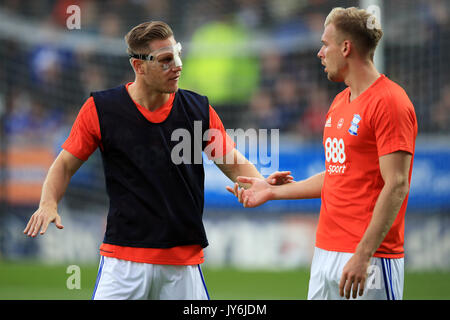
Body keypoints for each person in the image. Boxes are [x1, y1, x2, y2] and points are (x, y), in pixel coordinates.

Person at [23, 21, 293, 300]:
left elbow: (233, 163)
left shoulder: (198, 109)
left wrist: (262, 185)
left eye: (177, 54)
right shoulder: (101, 109)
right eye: (165, 60)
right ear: (138, 66)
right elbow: (65, 164)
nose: (177, 65)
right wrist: (48, 202)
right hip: (123, 263)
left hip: (182, 265)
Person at [227, 7, 418, 300]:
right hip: (326, 252)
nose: (320, 53)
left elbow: (397, 184)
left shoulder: (390, 101)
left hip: (370, 258)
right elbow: (339, 176)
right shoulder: (339, 103)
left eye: (325, 44)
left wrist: (363, 254)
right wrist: (272, 191)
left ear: (345, 47)